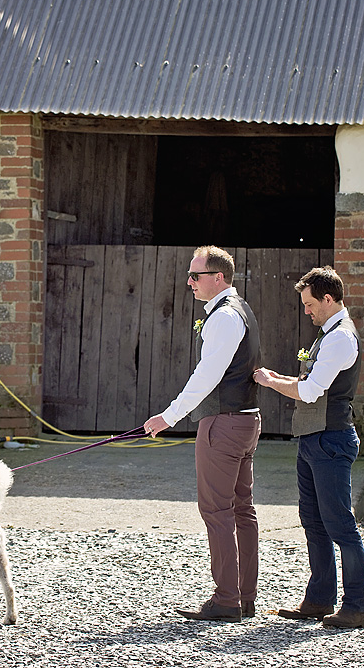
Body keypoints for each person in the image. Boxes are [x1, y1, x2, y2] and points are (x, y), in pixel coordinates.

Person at [144, 246, 262, 622]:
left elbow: (207, 376)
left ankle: (226, 599)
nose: (189, 282)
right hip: (246, 421)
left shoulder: (225, 317)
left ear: (219, 278)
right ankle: (244, 597)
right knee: (242, 509)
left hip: (224, 425)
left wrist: (169, 416)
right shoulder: (239, 310)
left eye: (196, 276)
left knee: (217, 511)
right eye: (190, 275)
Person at [253, 265, 364, 629]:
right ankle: (319, 599)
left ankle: (356, 605)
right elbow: (309, 381)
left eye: (309, 304)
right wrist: (277, 377)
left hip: (330, 439)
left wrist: (272, 384)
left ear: (328, 299)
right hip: (313, 438)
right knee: (314, 522)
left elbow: (309, 391)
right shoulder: (329, 333)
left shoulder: (339, 338)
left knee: (340, 525)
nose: (306, 311)